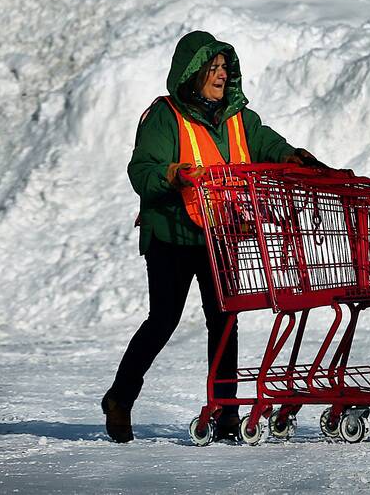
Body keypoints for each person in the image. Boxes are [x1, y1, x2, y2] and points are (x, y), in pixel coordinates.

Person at [101, 30, 323, 443]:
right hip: (171, 233)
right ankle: (120, 398)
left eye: (225, 68)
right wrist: (172, 174)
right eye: (213, 68)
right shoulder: (165, 116)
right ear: (194, 72)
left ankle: (224, 414)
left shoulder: (238, 117)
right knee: (163, 320)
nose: (221, 75)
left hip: (220, 234)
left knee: (224, 322)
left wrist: (291, 157)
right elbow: (141, 171)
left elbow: (265, 143)